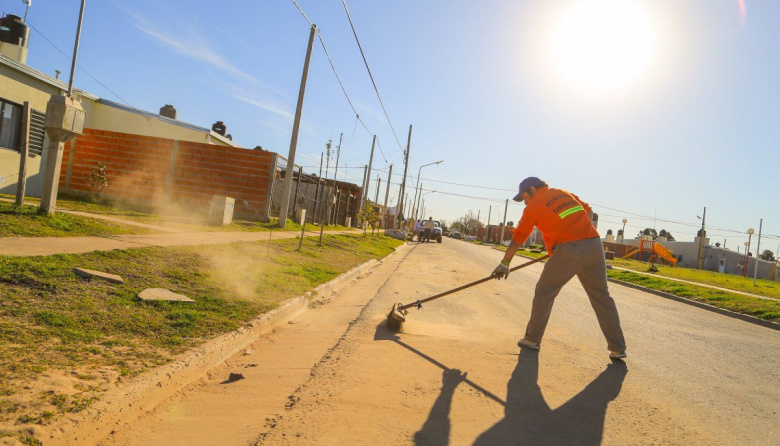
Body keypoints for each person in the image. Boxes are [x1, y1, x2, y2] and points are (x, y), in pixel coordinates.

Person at [491, 177, 627, 359]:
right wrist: (576, 232)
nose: (525, 202)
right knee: (602, 297)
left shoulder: (533, 206)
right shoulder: (564, 193)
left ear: (533, 189)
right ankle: (618, 348)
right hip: (594, 246)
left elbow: (519, 237)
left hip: (569, 250)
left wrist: (505, 263)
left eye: (525, 197)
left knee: (544, 292)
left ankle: (532, 339)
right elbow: (588, 211)